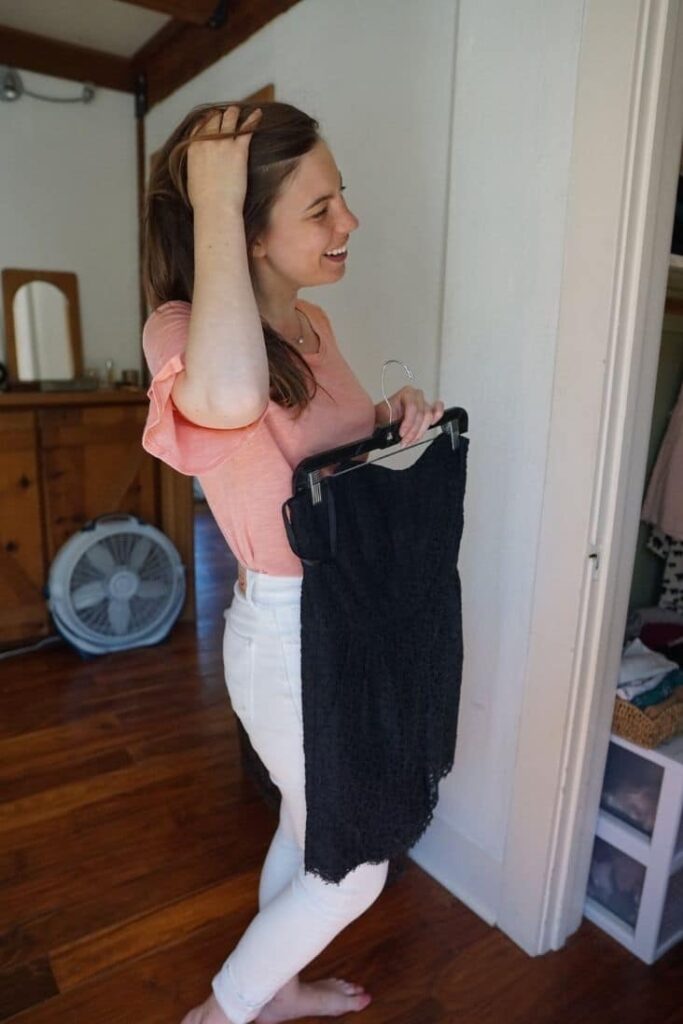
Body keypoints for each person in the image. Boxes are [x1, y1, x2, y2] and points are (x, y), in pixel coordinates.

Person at [140, 100, 444, 1024]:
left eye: (339, 200)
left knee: (308, 827)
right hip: (288, 637)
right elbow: (229, 399)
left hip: (349, 619)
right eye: (319, 210)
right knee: (353, 868)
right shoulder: (179, 328)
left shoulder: (312, 325)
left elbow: (318, 472)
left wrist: (386, 429)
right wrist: (215, 196)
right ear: (248, 233)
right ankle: (222, 1014)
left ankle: (271, 994)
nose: (347, 222)